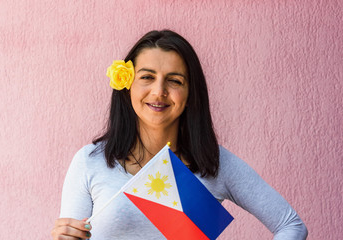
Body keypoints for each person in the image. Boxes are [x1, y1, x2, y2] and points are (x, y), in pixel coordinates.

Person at [51, 30, 308, 240]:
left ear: (190, 92)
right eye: (147, 77)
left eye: (174, 80)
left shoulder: (213, 162)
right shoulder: (90, 161)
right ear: (127, 85)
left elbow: (291, 225)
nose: (159, 91)